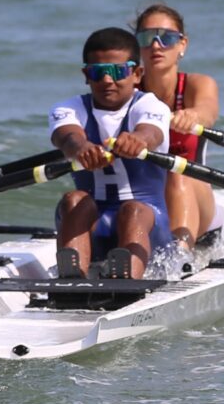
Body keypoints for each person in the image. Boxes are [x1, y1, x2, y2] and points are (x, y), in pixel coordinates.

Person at [49, 27, 173, 280]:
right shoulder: (67, 108)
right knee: (74, 200)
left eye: (118, 71)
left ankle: (126, 284)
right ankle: (72, 282)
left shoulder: (151, 106)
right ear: (86, 75)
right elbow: (67, 136)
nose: (107, 80)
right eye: (98, 72)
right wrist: (79, 148)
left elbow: (151, 133)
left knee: (133, 210)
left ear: (137, 74)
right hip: (93, 226)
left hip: (148, 226)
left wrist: (137, 141)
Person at [134, 4, 219, 251]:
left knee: (176, 170)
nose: (157, 45)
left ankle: (179, 255)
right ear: (137, 45)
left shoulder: (196, 84)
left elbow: (208, 111)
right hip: (143, 198)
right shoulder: (126, 89)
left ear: (182, 44)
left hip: (194, 194)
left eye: (167, 37)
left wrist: (193, 116)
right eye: (147, 38)